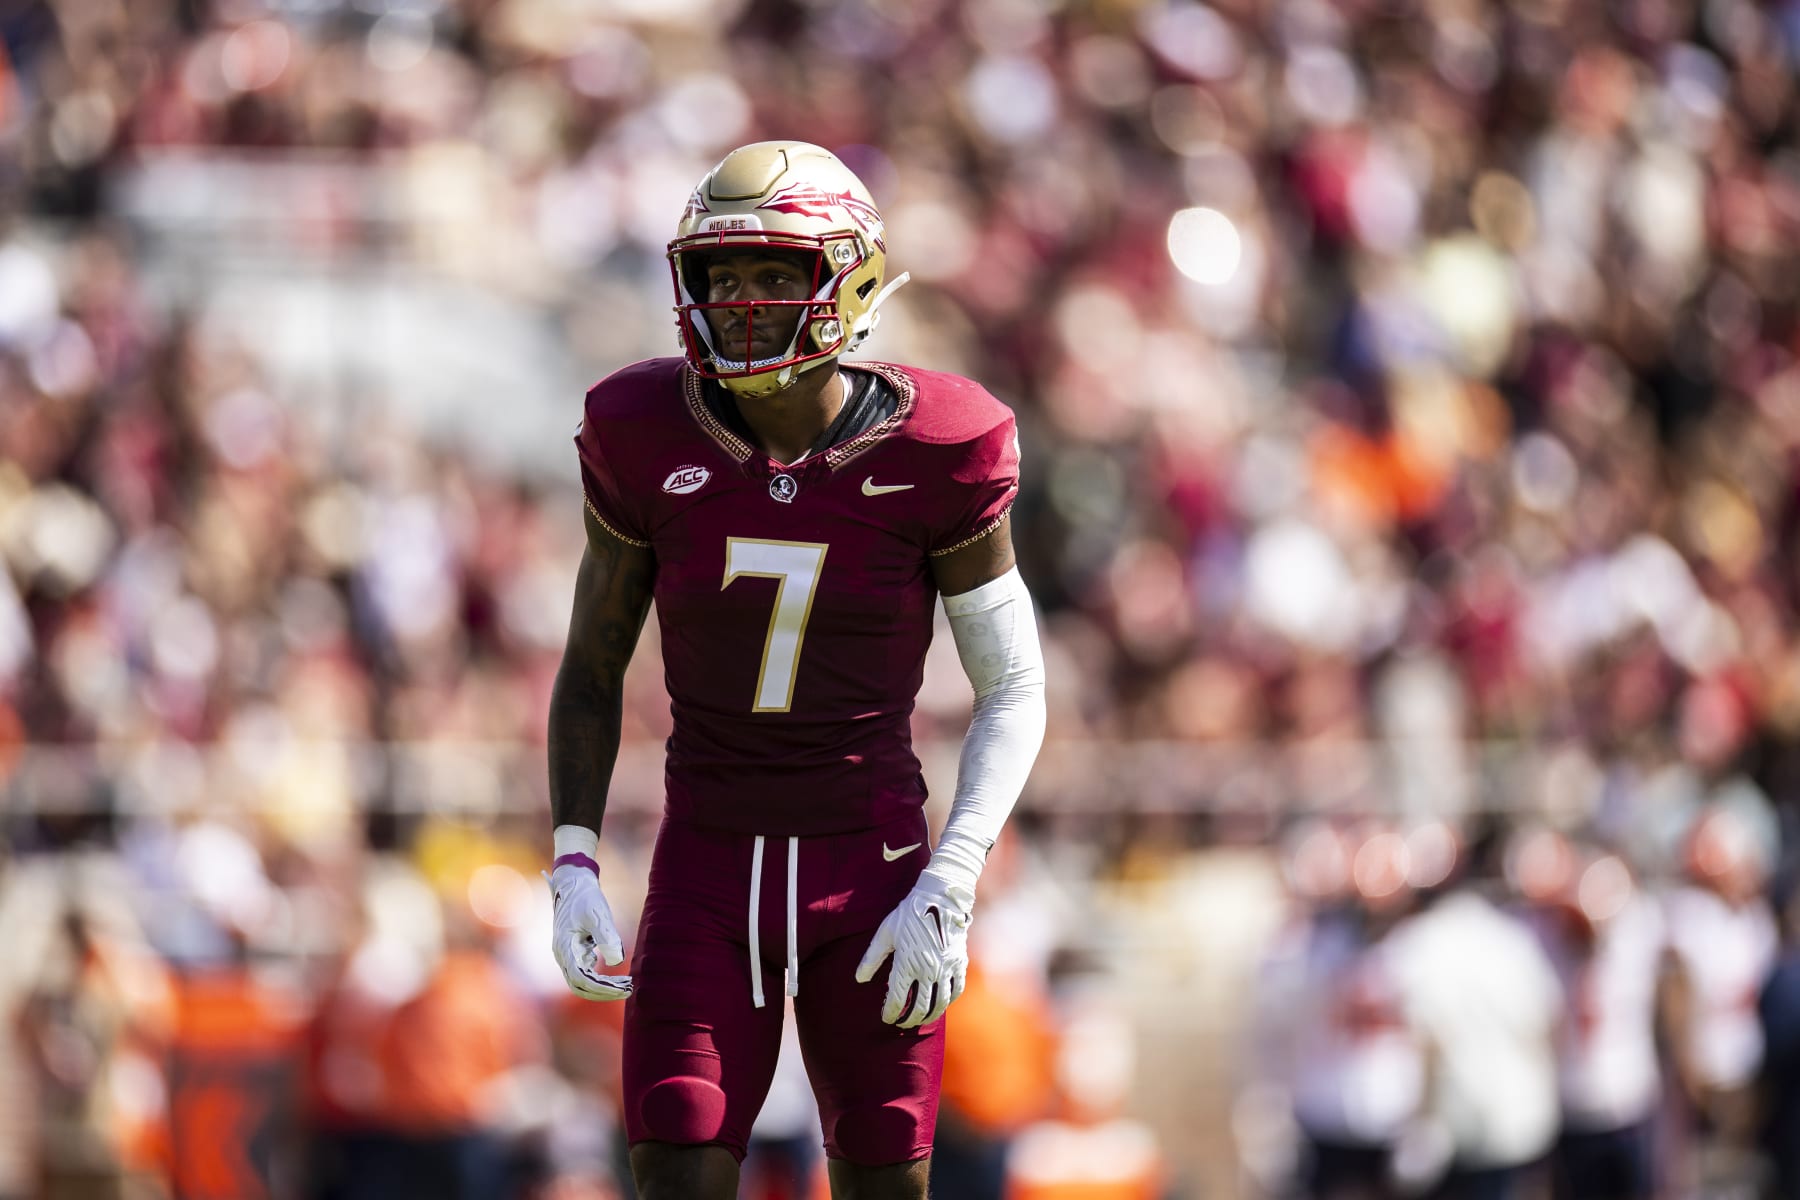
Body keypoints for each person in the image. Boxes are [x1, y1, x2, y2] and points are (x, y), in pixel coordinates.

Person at [542, 141, 1047, 1200]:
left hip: (872, 865)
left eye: (774, 272)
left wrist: (952, 879)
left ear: (850, 277)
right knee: (675, 1156)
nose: (741, 302)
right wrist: (575, 855)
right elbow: (592, 665)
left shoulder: (940, 443)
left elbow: (1014, 685)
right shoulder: (642, 432)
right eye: (721, 276)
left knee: (880, 1178)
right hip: (704, 864)